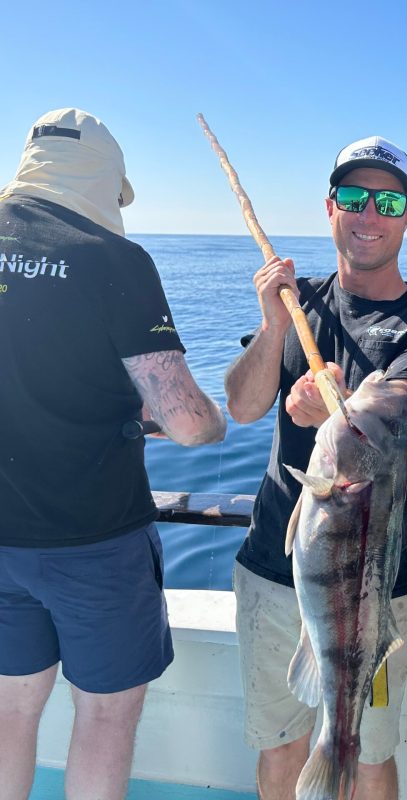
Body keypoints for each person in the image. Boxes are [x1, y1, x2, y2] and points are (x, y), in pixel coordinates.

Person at [225, 135, 407, 800]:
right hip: (275, 573)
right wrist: (274, 325)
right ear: (331, 207)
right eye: (354, 197)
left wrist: (335, 414)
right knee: (280, 748)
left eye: (387, 200)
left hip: (374, 591)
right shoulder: (299, 304)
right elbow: (242, 407)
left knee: (368, 751)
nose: (369, 213)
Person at [0, 108, 227, 800]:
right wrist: (217, 422)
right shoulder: (113, 258)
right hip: (93, 544)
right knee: (104, 716)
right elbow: (184, 421)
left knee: (8, 711)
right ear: (106, 182)